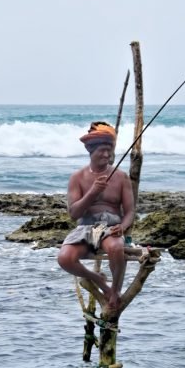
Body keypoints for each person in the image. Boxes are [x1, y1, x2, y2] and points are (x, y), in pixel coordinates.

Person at [57, 121, 135, 311]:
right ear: (91, 151)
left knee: (116, 247)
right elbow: (74, 214)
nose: (107, 155)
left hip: (110, 228)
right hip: (86, 228)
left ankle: (115, 291)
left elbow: (130, 211)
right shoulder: (77, 177)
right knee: (65, 258)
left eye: (110, 150)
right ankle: (98, 280)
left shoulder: (121, 177)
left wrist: (122, 227)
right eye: (102, 150)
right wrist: (92, 192)